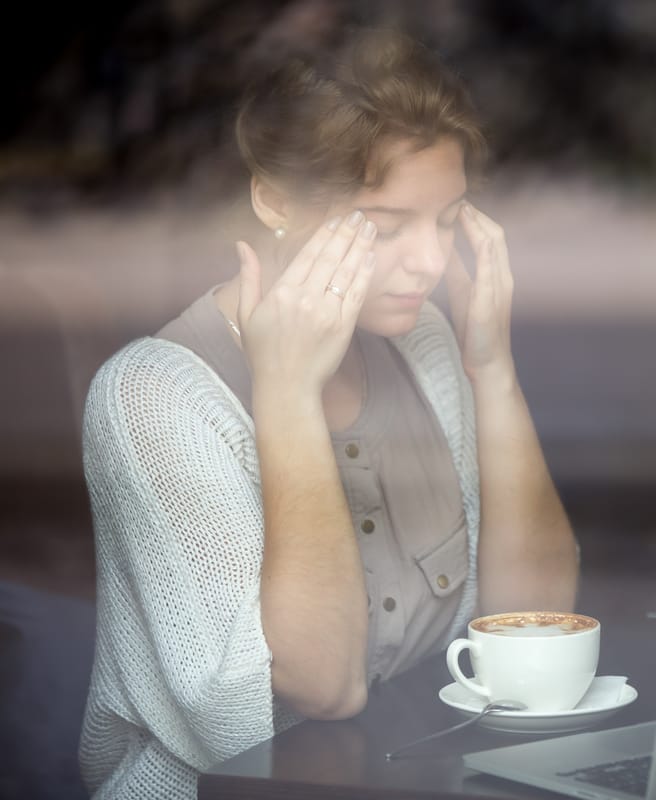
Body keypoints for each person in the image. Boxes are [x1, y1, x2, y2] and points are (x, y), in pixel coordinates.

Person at [77, 27, 578, 800]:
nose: (431, 263)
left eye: (446, 222)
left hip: (417, 773)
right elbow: (324, 687)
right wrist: (284, 394)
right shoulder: (151, 398)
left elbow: (535, 626)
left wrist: (494, 369)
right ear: (272, 199)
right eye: (384, 227)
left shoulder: (426, 343)